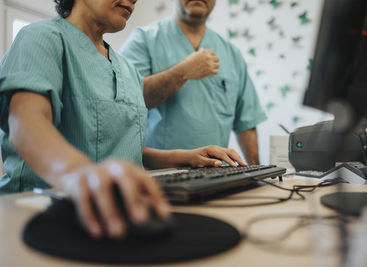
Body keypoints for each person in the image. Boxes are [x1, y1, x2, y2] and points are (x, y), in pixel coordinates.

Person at [0, 0, 246, 238]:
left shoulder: (127, 69)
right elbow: (26, 124)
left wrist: (183, 157)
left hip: (119, 213)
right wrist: (79, 174)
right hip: (35, 214)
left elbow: (119, 147)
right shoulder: (41, 38)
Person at [120, 0, 266, 165]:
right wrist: (183, 71)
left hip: (218, 174)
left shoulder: (232, 54)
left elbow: (246, 123)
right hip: (159, 174)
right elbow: (127, 101)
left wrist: (257, 175)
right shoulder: (143, 40)